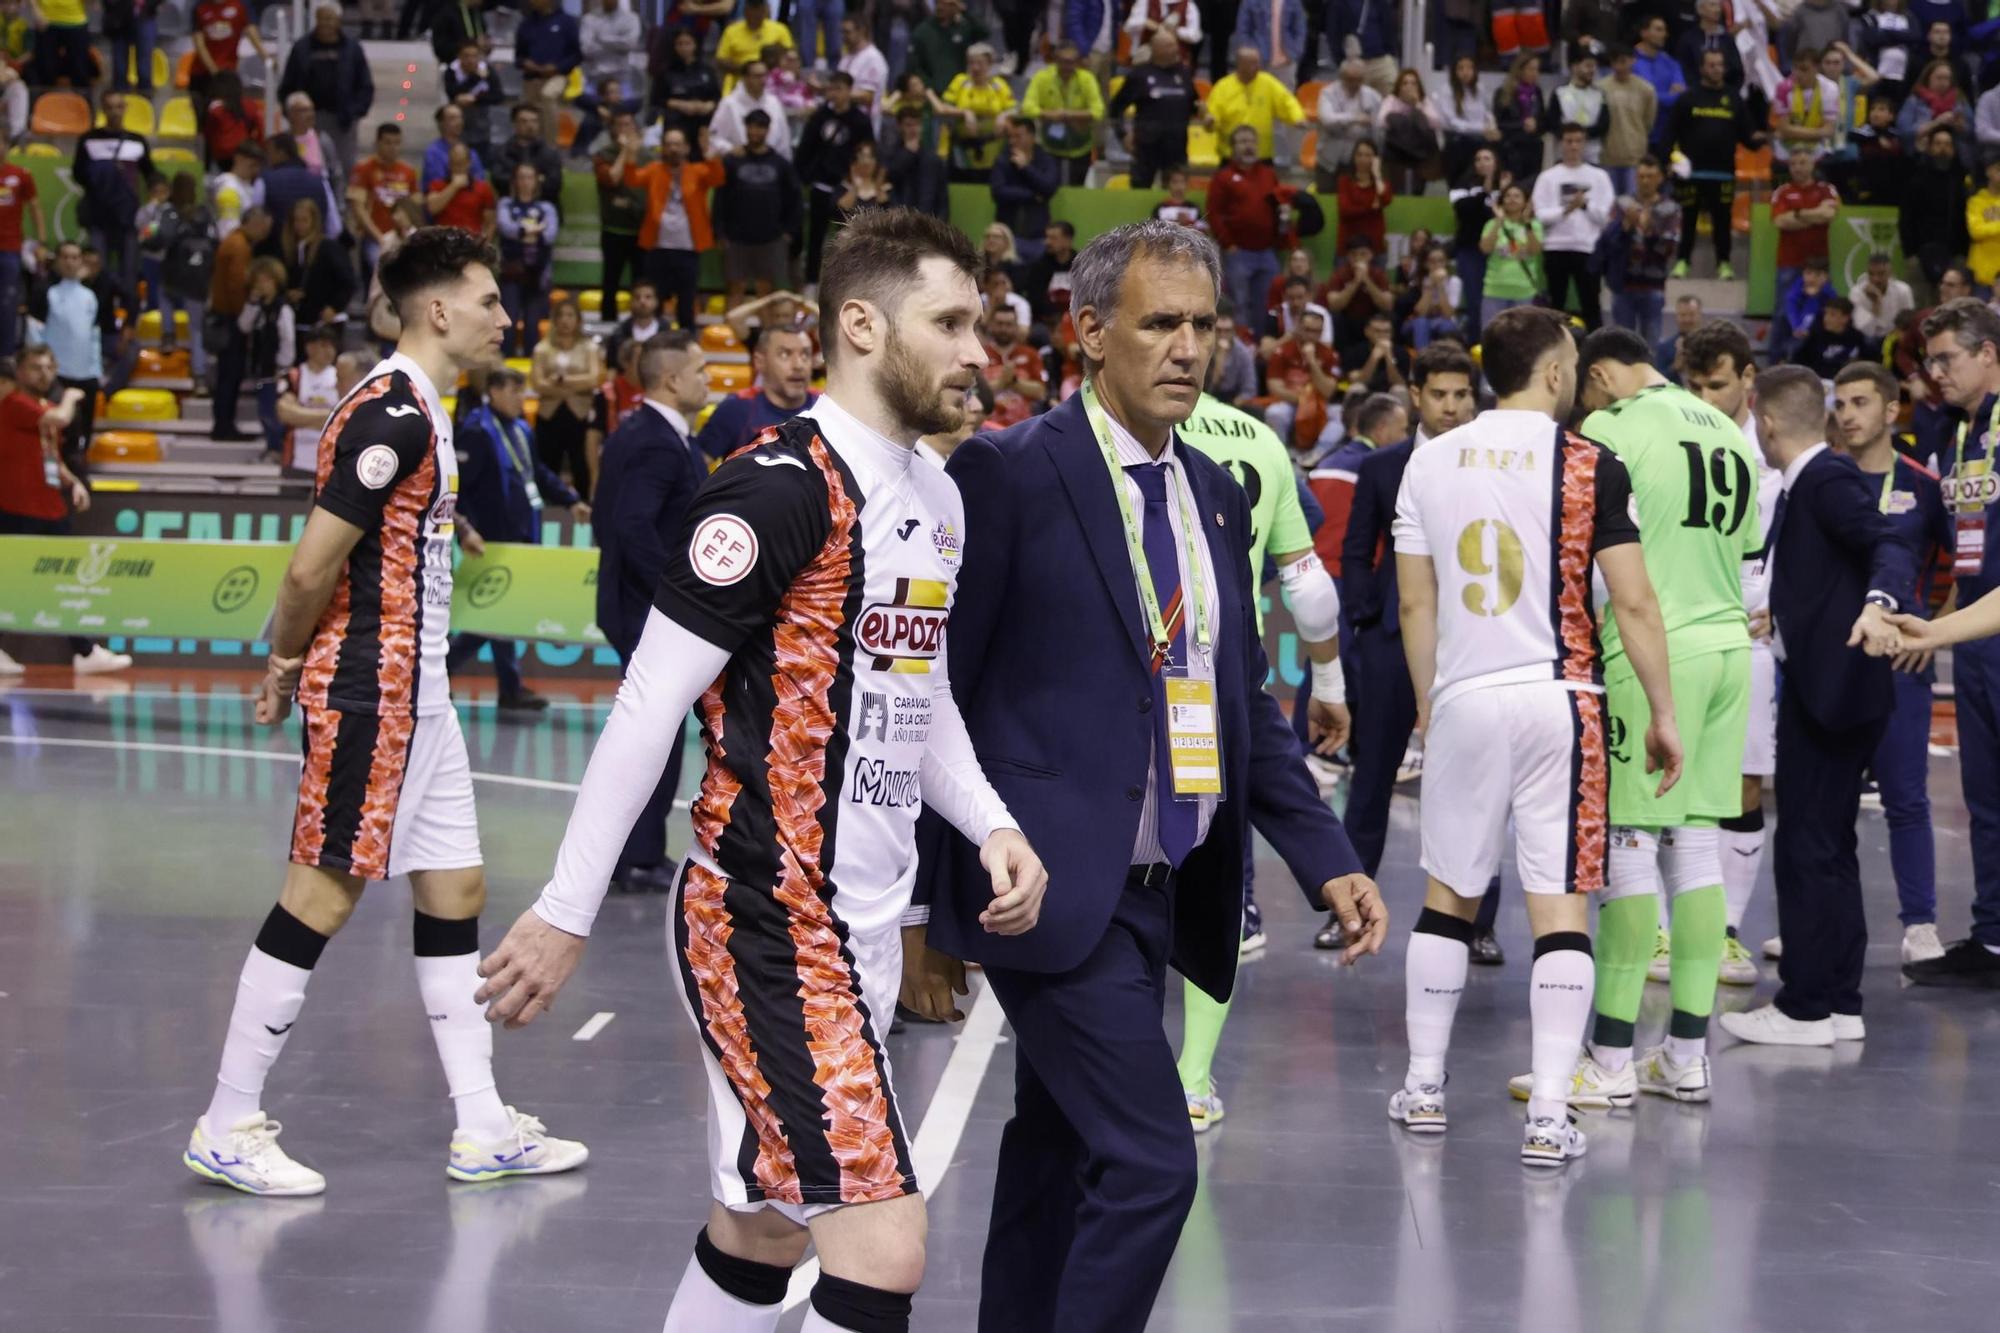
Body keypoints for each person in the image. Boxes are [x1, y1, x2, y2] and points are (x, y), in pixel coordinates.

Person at [477, 208, 1039, 1333]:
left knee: (766, 1226)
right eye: (952, 322)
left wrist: (989, 822)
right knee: (882, 1246)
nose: (980, 352)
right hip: (768, 917)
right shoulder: (777, 488)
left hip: (865, 922)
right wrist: (563, 908)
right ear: (863, 328)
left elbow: (913, 694)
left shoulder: (937, 499)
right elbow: (647, 702)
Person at [905, 216, 1386, 1331]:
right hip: (1043, 887)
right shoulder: (1004, 473)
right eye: (1157, 323)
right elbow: (941, 695)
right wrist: (929, 913)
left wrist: (1327, 858)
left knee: (1052, 1150)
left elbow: (1237, 706)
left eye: (1202, 325)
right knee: (1152, 1165)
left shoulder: (1218, 489)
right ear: (1087, 333)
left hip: (1159, 890)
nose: (1185, 347)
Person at [182, 228, 589, 1197]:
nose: (505, 317)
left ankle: (482, 1125)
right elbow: (309, 565)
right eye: (489, 301)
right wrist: (284, 662)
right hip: (374, 691)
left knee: (454, 890)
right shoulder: (394, 416)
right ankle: (228, 1118)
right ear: (438, 309)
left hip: (423, 699)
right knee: (319, 895)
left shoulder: (426, 412)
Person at [1389, 305, 1678, 1164]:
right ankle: (1551, 1112)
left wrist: (1429, 702)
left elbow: (1416, 602)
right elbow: (1632, 600)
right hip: (1563, 699)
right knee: (1560, 910)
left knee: (1448, 897)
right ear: (1555, 373)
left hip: (1467, 696)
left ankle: (1426, 1084)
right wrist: (1662, 712)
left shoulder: (1427, 461)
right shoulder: (1591, 462)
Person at [1516, 327, 1759, 1112]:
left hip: (1655, 655)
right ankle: (1686, 1055)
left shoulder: (1612, 428)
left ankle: (1612, 1058)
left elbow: (1584, 551)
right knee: (1695, 851)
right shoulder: (1726, 428)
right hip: (1730, 651)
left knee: (1624, 853)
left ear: (1600, 377)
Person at [1718, 365, 1916, 1044]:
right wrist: (1790, 612)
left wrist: (1880, 603)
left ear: (1764, 421)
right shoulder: (1812, 484)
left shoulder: (1825, 480)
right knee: (1830, 846)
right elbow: (1828, 570)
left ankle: (1805, 1005)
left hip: (1830, 693)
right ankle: (1838, 1001)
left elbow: (1888, 540)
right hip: (1834, 687)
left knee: (1807, 844)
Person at [1172, 385, 1350, 1126]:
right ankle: (1194, 1077)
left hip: (1129, 674)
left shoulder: (1092, 426)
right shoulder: (1258, 438)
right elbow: (1307, 586)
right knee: (1216, 869)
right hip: (1218, 679)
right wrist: (1330, 681)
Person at [1336, 346, 1499, 957]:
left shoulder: (1493, 463)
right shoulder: (1382, 467)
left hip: (1472, 641)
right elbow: (1356, 552)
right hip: (1389, 644)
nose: (1453, 405)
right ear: (1416, 395)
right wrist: (1364, 618)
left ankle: (1480, 924)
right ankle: (1348, 911)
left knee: (1478, 787)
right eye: (1440, 394)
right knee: (1372, 779)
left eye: (1462, 394)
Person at [1893, 300, 2000, 987]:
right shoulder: (1956, 434)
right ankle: (1992, 938)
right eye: (1930, 361)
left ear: (1990, 352)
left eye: (1948, 359)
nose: (1936, 373)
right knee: (1984, 793)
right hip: (1977, 636)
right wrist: (1936, 618)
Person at [1830, 361, 1950, 964]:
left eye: (1859, 402)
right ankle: (1822, 919)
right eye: (1841, 404)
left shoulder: (1925, 484)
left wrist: (1932, 632)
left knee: (1906, 798)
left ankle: (1921, 923)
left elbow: (1963, 565)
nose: (1848, 414)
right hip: (1836, 666)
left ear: (1890, 409)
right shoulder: (1824, 479)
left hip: (1903, 666)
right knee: (1828, 800)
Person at [586, 332, 710, 889]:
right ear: (673, 380)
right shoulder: (657, 442)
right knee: (651, 736)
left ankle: (636, 852)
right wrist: (678, 593)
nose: (709, 380)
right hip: (646, 612)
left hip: (635, 606)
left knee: (651, 732)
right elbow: (632, 525)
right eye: (701, 370)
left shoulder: (640, 433)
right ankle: (634, 856)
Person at [449, 368, 588, 712]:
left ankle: (508, 688)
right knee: (490, 618)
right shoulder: (477, 430)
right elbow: (459, 488)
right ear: (494, 391)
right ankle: (442, 673)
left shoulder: (522, 427)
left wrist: (570, 499)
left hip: (521, 532)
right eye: (513, 391)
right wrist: (464, 528)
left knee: (502, 615)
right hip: (489, 538)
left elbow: (536, 473)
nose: (520, 399)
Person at [1667, 48, 1762, 281]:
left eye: (1720, 65)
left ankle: (1724, 264)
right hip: (1691, 173)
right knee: (1688, 219)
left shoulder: (1734, 98)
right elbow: (1670, 133)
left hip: (1723, 173)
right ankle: (1682, 262)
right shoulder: (1688, 98)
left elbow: (1748, 136)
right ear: (1702, 68)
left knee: (1722, 221)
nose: (1717, 69)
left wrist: (1761, 138)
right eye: (1712, 65)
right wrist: (1666, 162)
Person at [625, 125, 728, 331]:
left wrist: (711, 156)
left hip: (688, 249)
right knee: (656, 301)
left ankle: (686, 344)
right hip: (658, 248)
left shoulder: (697, 171)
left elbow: (718, 179)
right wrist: (631, 154)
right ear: (662, 148)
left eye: (678, 144)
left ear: (687, 148)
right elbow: (632, 179)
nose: (673, 149)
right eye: (669, 144)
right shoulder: (654, 170)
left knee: (687, 303)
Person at [74, 92, 158, 307]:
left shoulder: (137, 141)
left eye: (119, 107)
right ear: (103, 109)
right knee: (96, 271)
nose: (114, 111)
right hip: (98, 217)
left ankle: (128, 321)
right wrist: (104, 175)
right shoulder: (88, 140)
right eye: (110, 107)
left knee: (129, 273)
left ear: (125, 109)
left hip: (128, 219)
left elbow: (151, 175)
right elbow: (78, 174)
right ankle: (97, 314)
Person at [716, 110, 803, 307]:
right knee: (735, 288)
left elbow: (795, 200)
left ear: (767, 130)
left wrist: (789, 232)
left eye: (760, 127)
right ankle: (731, 337)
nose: (755, 131)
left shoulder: (781, 164)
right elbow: (720, 199)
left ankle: (768, 336)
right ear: (745, 128)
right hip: (736, 237)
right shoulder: (732, 161)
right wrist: (719, 232)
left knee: (766, 291)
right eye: (751, 126)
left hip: (771, 238)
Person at [1531, 124, 1613, 331]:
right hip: (1555, 247)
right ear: (1561, 144)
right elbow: (1540, 215)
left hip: (1587, 248)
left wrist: (1584, 205)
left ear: (1584, 144)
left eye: (1578, 141)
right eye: (1569, 141)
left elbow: (1606, 216)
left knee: (1591, 305)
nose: (1573, 146)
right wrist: (1566, 210)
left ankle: (1595, 349)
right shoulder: (1548, 177)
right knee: (1555, 306)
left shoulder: (1599, 177)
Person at [694, 324, 818, 461]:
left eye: (805, 354)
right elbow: (696, 471)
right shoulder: (735, 409)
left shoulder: (827, 406)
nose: (798, 365)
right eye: (785, 354)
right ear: (760, 362)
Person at [796, 72, 876, 284]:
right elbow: (806, 149)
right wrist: (805, 176)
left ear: (850, 90)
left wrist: (858, 181)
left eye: (839, 88)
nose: (835, 93)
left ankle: (846, 284)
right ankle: (811, 284)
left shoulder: (860, 120)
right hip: (821, 184)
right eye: (831, 88)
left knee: (849, 239)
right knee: (815, 237)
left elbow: (867, 151)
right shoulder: (819, 116)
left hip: (848, 187)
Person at [276, 5, 374, 176]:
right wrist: (292, 113)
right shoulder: (301, 48)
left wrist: (355, 111)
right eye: (322, 18)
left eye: (330, 19)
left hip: (342, 119)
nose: (325, 23)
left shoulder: (352, 49)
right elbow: (287, 85)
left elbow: (365, 85)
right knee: (304, 164)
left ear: (338, 21)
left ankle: (342, 201)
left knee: (345, 166)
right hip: (306, 121)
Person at [1207, 126, 1285, 338]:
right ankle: (1242, 348)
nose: (1248, 146)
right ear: (1232, 148)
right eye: (1242, 142)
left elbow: (1278, 208)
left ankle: (1261, 350)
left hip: (1267, 253)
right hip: (1238, 253)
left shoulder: (1269, 175)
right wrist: (1229, 245)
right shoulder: (1223, 178)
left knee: (1267, 304)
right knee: (1239, 304)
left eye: (1251, 141)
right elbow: (1214, 215)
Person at [530, 298, 602, 494]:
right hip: (549, 415)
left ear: (578, 320)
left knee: (581, 465)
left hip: (580, 415)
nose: (565, 320)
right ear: (554, 320)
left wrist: (561, 381)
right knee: (546, 463)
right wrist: (575, 385)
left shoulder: (589, 348)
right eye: (560, 315)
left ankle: (584, 506)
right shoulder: (542, 348)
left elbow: (594, 379)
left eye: (570, 315)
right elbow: (537, 384)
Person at [1112, 28, 1199, 188]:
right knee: (1140, 191)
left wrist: (1203, 112)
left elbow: (1194, 105)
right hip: (1146, 148)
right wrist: (1123, 134)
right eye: (1169, 46)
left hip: (1176, 148)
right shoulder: (1139, 75)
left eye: (1175, 45)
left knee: (1175, 194)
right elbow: (1116, 108)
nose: (1175, 50)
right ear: (1156, 49)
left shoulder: (1184, 74)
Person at [1608, 156, 1681, 344]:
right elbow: (1608, 244)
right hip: (1623, 283)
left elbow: (1669, 248)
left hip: (1653, 284)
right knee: (1622, 346)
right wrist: (1625, 228)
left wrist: (1650, 231)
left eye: (1650, 176)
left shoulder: (1670, 208)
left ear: (1660, 178)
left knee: (1650, 346)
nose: (1645, 181)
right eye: (1641, 176)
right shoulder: (1622, 204)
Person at [1021, 40, 1103, 187]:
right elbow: (1027, 107)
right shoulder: (1042, 77)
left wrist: (1067, 114)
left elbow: (1098, 111)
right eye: (1064, 62)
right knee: (1049, 187)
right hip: (1050, 146)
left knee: (1076, 189)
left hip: (1080, 146)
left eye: (1072, 62)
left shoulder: (1087, 79)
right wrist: (1049, 115)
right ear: (1055, 60)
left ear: (1077, 62)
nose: (1068, 66)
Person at [495, 164, 557, 356]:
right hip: (512, 272)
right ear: (515, 181)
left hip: (537, 273)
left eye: (529, 177)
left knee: (533, 322)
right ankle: (505, 362)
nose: (525, 182)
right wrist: (529, 232)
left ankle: (531, 363)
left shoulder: (546, 207)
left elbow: (550, 234)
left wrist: (523, 233)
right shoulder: (506, 204)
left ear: (536, 180)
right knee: (509, 319)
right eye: (521, 177)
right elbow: (506, 227)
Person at [1206, 45, 1305, 164]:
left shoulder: (1268, 82)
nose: (1258, 67)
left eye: (1258, 62)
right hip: (1231, 154)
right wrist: (1210, 122)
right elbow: (1212, 116)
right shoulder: (1223, 87)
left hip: (1261, 154)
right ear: (1240, 65)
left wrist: (1297, 118)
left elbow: (1287, 101)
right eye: (1253, 63)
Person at [273, 322, 342, 472]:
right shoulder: (292, 377)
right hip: (296, 459)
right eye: (324, 345)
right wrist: (329, 417)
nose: (329, 351)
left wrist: (301, 415)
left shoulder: (341, 377)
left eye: (332, 346)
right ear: (309, 347)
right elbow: (285, 413)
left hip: (331, 463)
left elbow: (346, 418)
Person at [1478, 181, 1543, 328]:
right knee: (1491, 334)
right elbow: (1485, 248)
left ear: (1525, 201)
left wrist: (1527, 224)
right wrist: (1499, 222)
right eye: (1508, 196)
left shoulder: (1535, 225)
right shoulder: (1491, 224)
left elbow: (1534, 250)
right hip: (1495, 288)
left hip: (1524, 290)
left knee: (1522, 337)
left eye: (1517, 196)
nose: (1512, 199)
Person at [515, 0, 582, 139]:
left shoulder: (566, 22)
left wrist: (558, 67)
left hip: (559, 76)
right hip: (532, 77)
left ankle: (551, 145)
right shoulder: (526, 24)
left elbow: (577, 55)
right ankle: (532, 144)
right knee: (531, 112)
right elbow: (518, 57)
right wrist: (526, 63)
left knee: (548, 95)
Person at [1601, 45, 1659, 197]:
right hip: (1607, 156)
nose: (1619, 67)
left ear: (1633, 61)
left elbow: (1648, 121)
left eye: (1623, 61)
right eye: (1615, 62)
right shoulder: (1601, 88)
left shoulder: (1646, 90)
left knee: (1633, 206)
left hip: (1635, 157)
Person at [0, 151, 40, 361]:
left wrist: (41, 240)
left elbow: (34, 206)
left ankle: (6, 355)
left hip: (9, 248)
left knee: (7, 303)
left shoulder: (20, 175)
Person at [191, 0, 270, 107]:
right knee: (203, 117)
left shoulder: (241, 5)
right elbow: (199, 45)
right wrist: (216, 73)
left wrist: (267, 58)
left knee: (229, 114)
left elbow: (251, 32)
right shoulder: (199, 7)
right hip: (202, 73)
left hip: (229, 72)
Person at [492, 106, 565, 208]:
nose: (530, 125)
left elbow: (554, 185)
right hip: (511, 210)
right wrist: (537, 179)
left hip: (544, 211)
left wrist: (518, 180)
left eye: (534, 121)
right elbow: (499, 182)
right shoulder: (502, 152)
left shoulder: (550, 154)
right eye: (524, 121)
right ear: (514, 124)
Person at [1492, 53, 1547, 185]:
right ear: (1520, 70)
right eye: (1531, 69)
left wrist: (1536, 125)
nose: (1535, 73)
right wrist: (1522, 124)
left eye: (1537, 69)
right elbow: (1499, 123)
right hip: (1511, 148)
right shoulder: (1503, 92)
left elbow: (1543, 120)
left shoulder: (1537, 92)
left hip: (1533, 148)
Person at [442, 42, 509, 150]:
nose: (471, 60)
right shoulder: (451, 72)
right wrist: (475, 77)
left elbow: (498, 96)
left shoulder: (488, 70)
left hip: (482, 122)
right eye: (466, 56)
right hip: (458, 124)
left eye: (474, 56)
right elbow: (453, 94)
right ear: (459, 57)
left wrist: (475, 99)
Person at [427, 142, 500, 240]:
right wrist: (454, 186)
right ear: (449, 163)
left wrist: (483, 245)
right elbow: (432, 208)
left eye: (461, 164)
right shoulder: (437, 185)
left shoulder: (483, 188)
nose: (457, 168)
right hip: (443, 243)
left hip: (471, 242)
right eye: (454, 163)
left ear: (469, 163)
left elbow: (490, 222)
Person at [1335, 140, 1395, 255]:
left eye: (1368, 155)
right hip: (1348, 246)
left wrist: (1377, 175)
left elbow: (1386, 199)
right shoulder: (1344, 181)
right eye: (1359, 154)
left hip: (1375, 247)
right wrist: (1371, 207)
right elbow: (1345, 211)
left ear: (1375, 159)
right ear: (1354, 157)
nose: (1363, 159)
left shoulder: (1381, 183)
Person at [1552, 50, 1610, 164]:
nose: (1592, 70)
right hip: (1564, 156)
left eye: (1594, 66)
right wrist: (1572, 136)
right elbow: (1553, 123)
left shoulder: (1599, 94)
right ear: (1575, 67)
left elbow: (1604, 124)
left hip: (1592, 156)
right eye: (1588, 65)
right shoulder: (1559, 93)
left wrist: (1583, 135)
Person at [1852, 250, 1918, 351]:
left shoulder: (1903, 290)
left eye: (1881, 274)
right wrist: (1875, 303)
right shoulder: (1857, 292)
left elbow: (1908, 320)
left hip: (1894, 335)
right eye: (1871, 274)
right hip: (1868, 338)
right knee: (1869, 342)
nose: (1876, 279)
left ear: (1890, 273)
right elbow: (1865, 330)